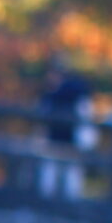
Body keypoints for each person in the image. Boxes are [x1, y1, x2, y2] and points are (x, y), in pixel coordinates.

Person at [39, 65, 95, 199]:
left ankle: (49, 200)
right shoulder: (78, 93)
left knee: (53, 172)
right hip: (70, 140)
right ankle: (68, 201)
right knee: (68, 174)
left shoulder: (56, 95)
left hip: (61, 139)